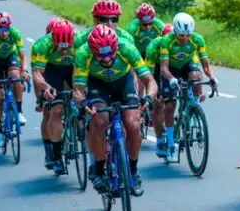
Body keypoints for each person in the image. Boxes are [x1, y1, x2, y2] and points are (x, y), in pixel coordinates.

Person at [72, 25, 157, 196]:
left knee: (133, 125)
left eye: (110, 56)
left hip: (123, 83)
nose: (106, 61)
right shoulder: (83, 54)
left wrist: (148, 98)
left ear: (116, 47)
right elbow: (78, 89)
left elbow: (150, 80)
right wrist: (82, 103)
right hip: (98, 85)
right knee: (99, 120)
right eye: (101, 57)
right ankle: (98, 168)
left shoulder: (127, 48)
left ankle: (132, 171)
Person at [156, 13, 217, 161]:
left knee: (196, 76)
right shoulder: (167, 41)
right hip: (170, 68)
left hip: (186, 65)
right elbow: (164, 68)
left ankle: (193, 108)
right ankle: (170, 143)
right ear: (175, 32)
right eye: (181, 36)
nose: (185, 39)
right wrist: (171, 79)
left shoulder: (197, 39)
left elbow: (205, 64)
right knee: (169, 106)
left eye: (188, 35)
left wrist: (212, 77)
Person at [31, 18, 76, 174]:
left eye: (67, 47)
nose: (64, 51)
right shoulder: (42, 45)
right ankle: (55, 155)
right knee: (53, 111)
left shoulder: (80, 43)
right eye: (60, 47)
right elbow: (37, 74)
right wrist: (43, 91)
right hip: (51, 71)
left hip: (72, 68)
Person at [0, 11, 29, 148]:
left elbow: (23, 56)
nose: (4, 33)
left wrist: (24, 71)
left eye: (6, 29)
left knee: (16, 77)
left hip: (10, 56)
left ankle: (19, 111)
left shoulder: (15, 32)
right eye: (1, 30)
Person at [144, 24, 174, 157]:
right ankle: (160, 140)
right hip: (156, 68)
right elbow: (149, 75)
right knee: (159, 104)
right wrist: (152, 93)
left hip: (172, 66)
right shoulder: (153, 47)